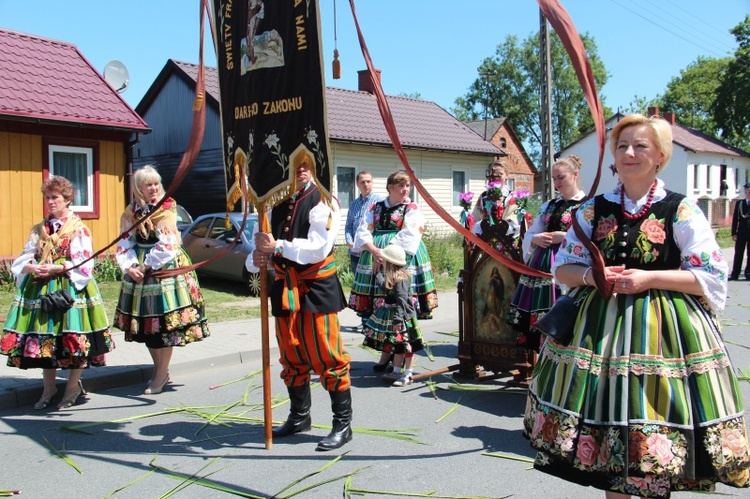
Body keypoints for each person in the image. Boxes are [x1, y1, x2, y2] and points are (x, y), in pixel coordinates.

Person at [523, 114, 750, 497]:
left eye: (640, 145)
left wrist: (650, 278)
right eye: (623, 146)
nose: (630, 152)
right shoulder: (594, 209)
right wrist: (593, 277)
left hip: (663, 332)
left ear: (660, 155)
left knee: (653, 437)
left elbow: (710, 275)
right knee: (608, 445)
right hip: (599, 331)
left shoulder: (681, 210)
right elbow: (564, 267)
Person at [247, 151, 352, 451]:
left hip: (317, 287)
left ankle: (342, 424)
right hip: (283, 286)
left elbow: (319, 248)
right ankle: (299, 416)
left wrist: (277, 245)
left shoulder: (324, 200)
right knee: (291, 355)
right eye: (296, 165)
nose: (301, 170)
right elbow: (260, 249)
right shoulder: (272, 201)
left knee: (327, 354)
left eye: (306, 165)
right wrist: (256, 259)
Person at [0, 176, 114, 410]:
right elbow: (26, 254)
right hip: (41, 286)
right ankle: (49, 388)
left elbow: (85, 262)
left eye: (56, 198)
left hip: (69, 287)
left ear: (68, 199)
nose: (51, 202)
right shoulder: (40, 228)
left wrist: (57, 267)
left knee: (73, 338)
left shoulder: (78, 229)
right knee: (45, 339)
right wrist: (31, 266)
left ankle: (72, 387)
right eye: (48, 198)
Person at [113, 165, 209, 395]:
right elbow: (124, 241)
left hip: (163, 268)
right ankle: (161, 370)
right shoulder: (132, 211)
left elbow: (169, 245)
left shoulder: (167, 208)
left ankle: (160, 374)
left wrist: (146, 265)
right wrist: (130, 266)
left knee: (164, 324)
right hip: (141, 271)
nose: (154, 188)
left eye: (156, 183)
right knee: (148, 326)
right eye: (149, 185)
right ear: (139, 189)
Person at [506, 155, 585, 351]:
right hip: (543, 261)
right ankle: (541, 356)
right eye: (554, 178)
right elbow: (533, 231)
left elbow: (590, 238)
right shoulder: (550, 205)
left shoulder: (587, 205)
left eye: (561, 178)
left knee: (563, 308)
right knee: (539, 311)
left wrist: (564, 236)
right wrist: (534, 238)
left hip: (569, 261)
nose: (557, 183)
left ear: (575, 175)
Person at [349, 170, 438, 325]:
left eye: (408, 185)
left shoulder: (411, 207)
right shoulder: (374, 207)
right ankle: (378, 328)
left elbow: (411, 232)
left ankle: (403, 329)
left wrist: (385, 254)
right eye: (401, 185)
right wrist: (374, 251)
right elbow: (363, 231)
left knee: (400, 289)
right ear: (390, 187)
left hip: (401, 254)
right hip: (374, 253)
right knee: (378, 287)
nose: (405, 189)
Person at [361, 244, 424, 386]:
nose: (381, 261)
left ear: (390, 262)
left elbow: (402, 301)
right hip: (394, 314)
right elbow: (385, 286)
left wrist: (397, 320)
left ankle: (407, 373)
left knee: (406, 345)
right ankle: (396, 370)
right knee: (397, 345)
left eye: (383, 260)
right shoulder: (392, 276)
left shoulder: (401, 279)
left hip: (402, 317)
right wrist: (377, 273)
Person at [344, 171, 384, 276]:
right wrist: (349, 242)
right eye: (362, 182)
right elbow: (348, 226)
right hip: (355, 253)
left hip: (371, 252)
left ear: (372, 182)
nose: (366, 184)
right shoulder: (353, 204)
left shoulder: (380, 202)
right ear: (357, 184)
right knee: (358, 283)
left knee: (373, 283)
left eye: (368, 181)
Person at [471, 160, 519, 242]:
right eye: (492, 176)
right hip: (485, 242)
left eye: (499, 175)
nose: (495, 178)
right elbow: (474, 219)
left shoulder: (512, 197)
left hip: (506, 242)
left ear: (506, 175)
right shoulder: (483, 197)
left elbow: (516, 224)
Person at [729, 182, 750, 281]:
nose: (747, 194)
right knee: (738, 253)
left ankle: (748, 273)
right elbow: (735, 219)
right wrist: (734, 233)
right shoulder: (740, 203)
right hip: (741, 232)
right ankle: (735, 274)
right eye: (746, 192)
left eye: (749, 192)